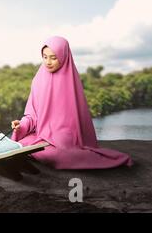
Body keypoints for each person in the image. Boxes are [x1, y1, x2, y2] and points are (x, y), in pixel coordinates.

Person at [10, 36, 133, 169]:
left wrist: (57, 134)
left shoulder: (71, 81)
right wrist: (21, 125)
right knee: (22, 144)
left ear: (64, 56)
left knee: (59, 154)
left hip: (65, 134)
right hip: (41, 133)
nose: (48, 62)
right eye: (45, 57)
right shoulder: (38, 80)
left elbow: (75, 121)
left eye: (53, 57)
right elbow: (32, 115)